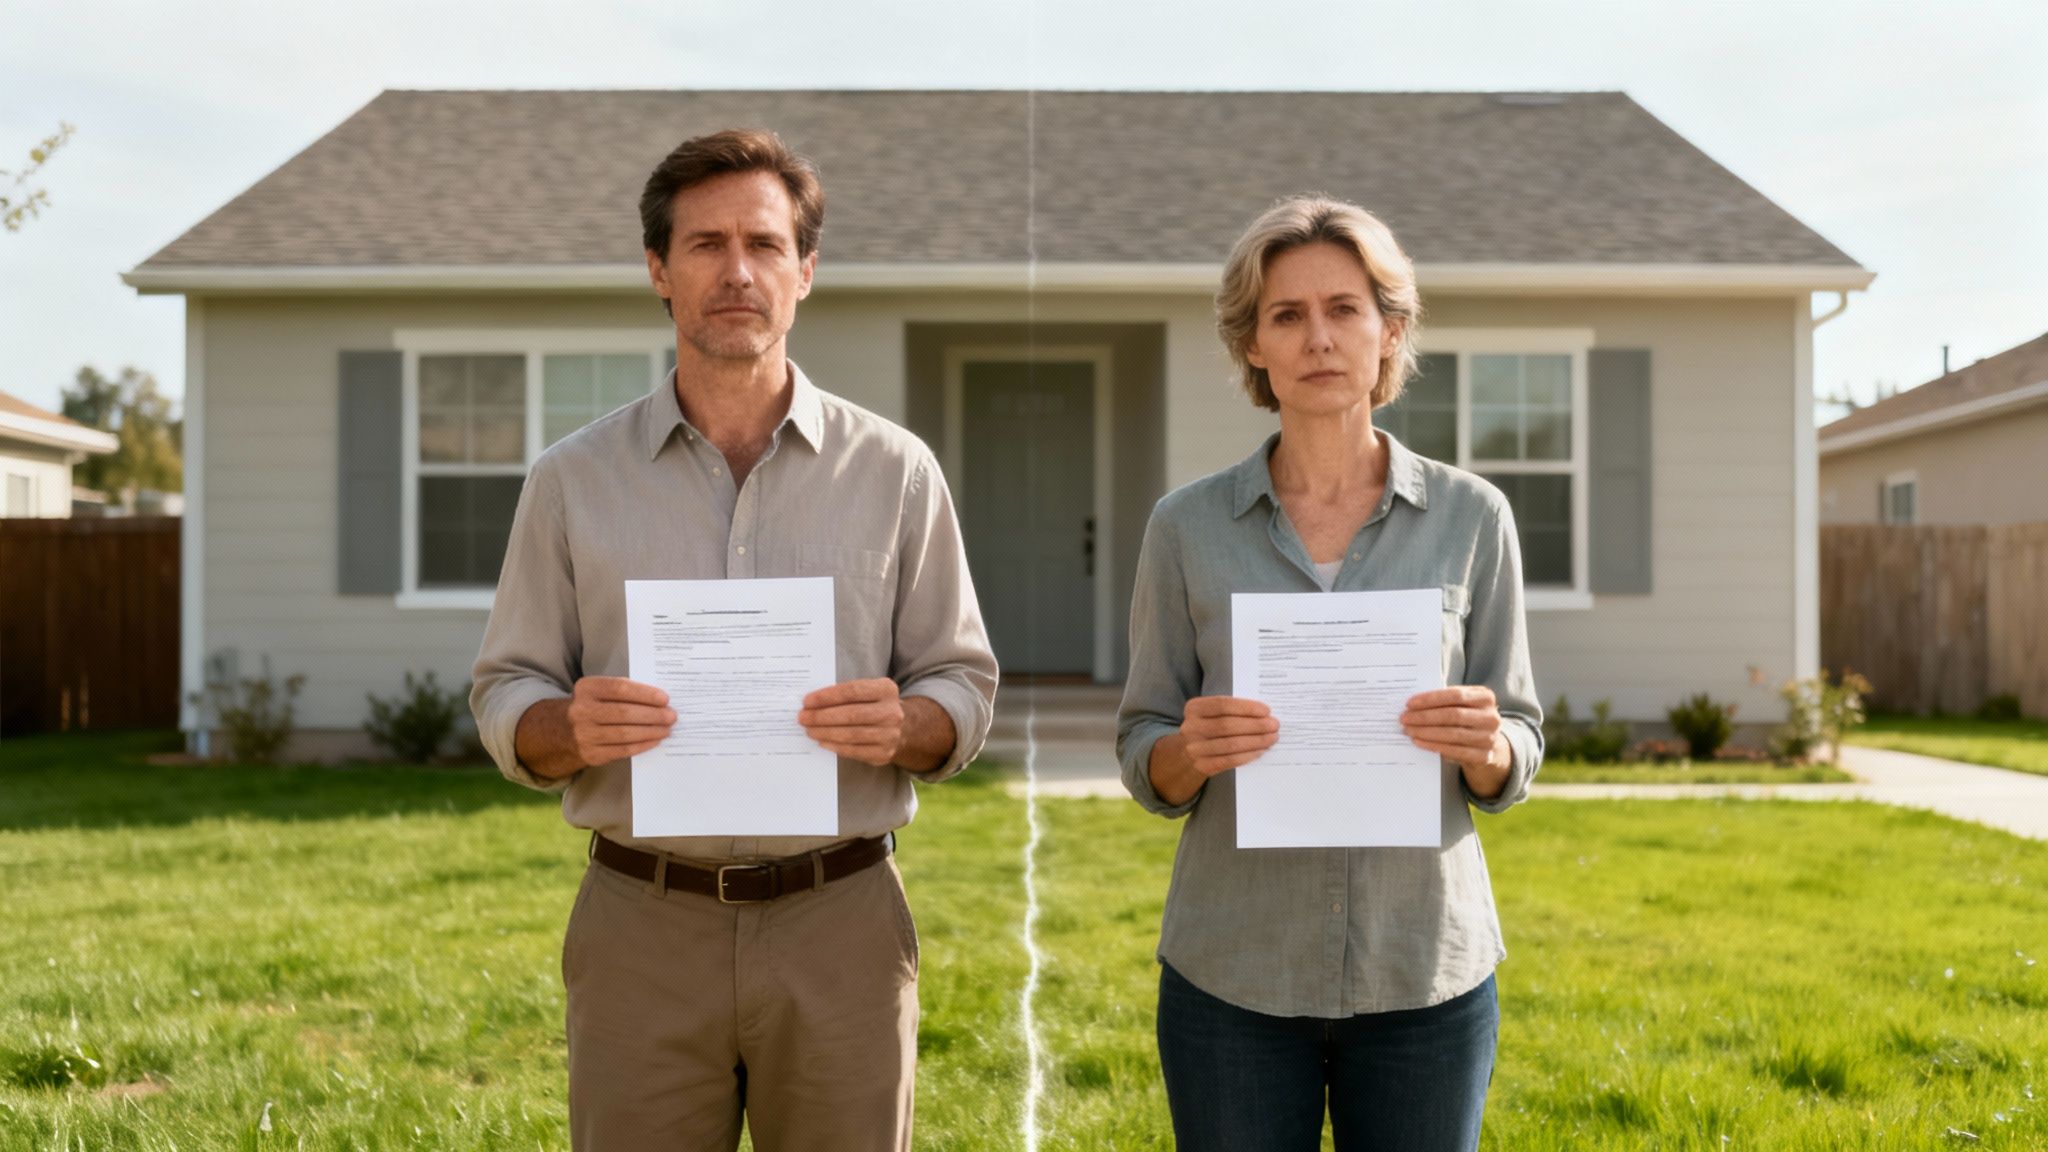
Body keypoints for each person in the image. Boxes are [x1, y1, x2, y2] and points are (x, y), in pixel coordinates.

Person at [469, 129, 998, 1152]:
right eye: (704, 244)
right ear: (658, 271)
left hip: (840, 917)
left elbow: (960, 684)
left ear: (804, 271)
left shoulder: (895, 471)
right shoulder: (571, 481)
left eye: (763, 243)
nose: (736, 271)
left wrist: (910, 723)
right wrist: (562, 725)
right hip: (641, 919)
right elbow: (505, 691)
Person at [1116, 194, 1544, 1152]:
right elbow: (1142, 744)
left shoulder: (1474, 518)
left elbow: (1521, 737)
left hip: (1422, 970)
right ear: (1253, 346)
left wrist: (1486, 746)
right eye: (1287, 314)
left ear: (1389, 333)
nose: (1318, 337)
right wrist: (1187, 750)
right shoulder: (1184, 528)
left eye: (1344, 309)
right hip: (1233, 972)